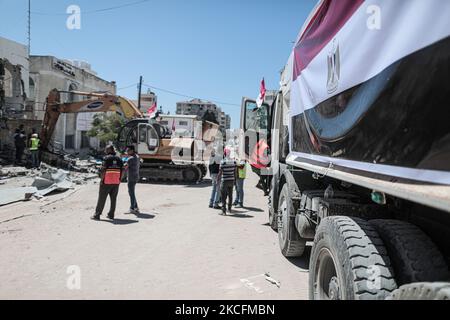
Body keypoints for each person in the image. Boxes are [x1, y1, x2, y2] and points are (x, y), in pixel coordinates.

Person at [91, 145, 124, 221]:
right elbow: (123, 170)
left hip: (106, 182)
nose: (105, 151)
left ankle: (97, 215)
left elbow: (103, 170)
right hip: (116, 182)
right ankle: (111, 215)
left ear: (109, 150)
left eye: (106, 149)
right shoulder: (119, 159)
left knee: (102, 198)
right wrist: (119, 180)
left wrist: (102, 180)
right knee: (113, 199)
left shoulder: (106, 159)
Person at [217, 148, 237, 215]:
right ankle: (229, 209)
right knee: (230, 195)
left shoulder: (223, 162)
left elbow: (220, 172)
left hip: (224, 180)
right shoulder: (234, 162)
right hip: (231, 180)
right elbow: (235, 172)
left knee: (223, 196)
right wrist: (235, 180)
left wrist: (218, 180)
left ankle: (223, 211)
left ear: (225, 153)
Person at [124, 145, 141, 214]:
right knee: (132, 193)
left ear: (132, 150)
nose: (127, 152)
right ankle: (136, 207)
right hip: (136, 176)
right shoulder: (137, 157)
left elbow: (125, 167)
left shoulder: (130, 159)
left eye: (128, 150)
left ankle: (132, 208)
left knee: (131, 193)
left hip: (131, 177)